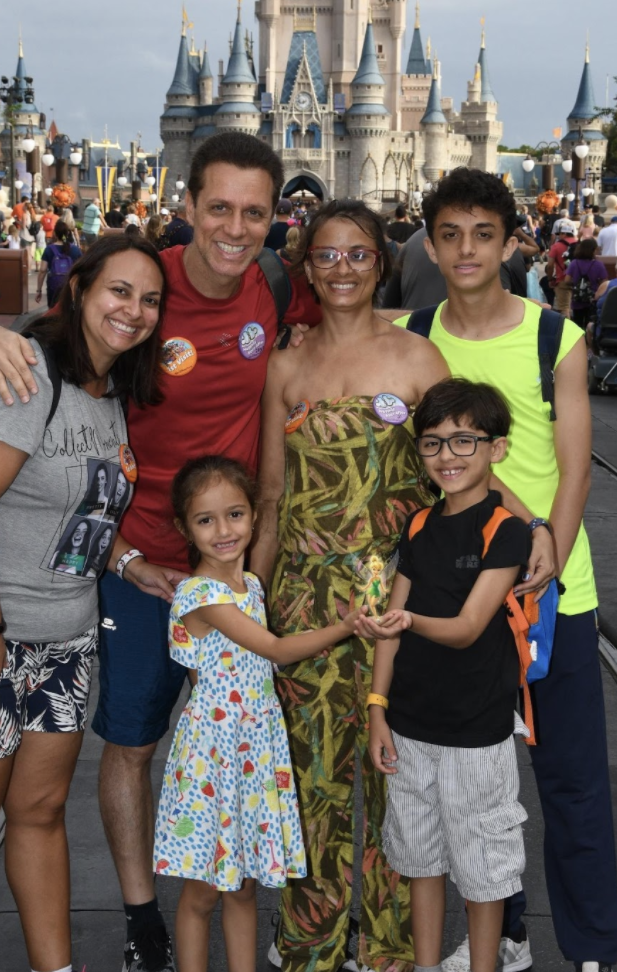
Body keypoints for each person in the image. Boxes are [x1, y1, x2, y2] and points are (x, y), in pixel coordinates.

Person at [0, 131, 321, 972]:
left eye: (254, 212)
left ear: (275, 218)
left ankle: (244, 894)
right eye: (219, 208)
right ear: (189, 205)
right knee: (132, 744)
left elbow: (362, 327)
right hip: (136, 564)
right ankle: (142, 917)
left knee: (238, 742)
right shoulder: (151, 283)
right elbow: (64, 331)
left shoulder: (279, 286)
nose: (235, 228)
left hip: (233, 569)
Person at [0, 232, 170, 972]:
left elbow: (77, 510)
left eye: (150, 299)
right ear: (81, 290)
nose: (135, 311)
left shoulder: (110, 394)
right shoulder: (26, 374)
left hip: (63, 638)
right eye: (119, 291)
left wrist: (129, 562)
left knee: (40, 813)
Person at [397, 167, 617, 972]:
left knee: (569, 780)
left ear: (510, 242)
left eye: (483, 234)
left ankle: (593, 950)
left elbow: (576, 465)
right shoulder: (414, 335)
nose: (465, 250)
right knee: (476, 787)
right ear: (430, 242)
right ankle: (510, 932)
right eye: (450, 235)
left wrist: (548, 556)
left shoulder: (552, 335)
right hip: (459, 599)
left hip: (550, 592)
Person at [251, 200, 447, 972]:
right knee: (313, 782)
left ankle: (394, 945)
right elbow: (270, 498)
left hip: (396, 599)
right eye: (326, 255)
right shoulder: (287, 365)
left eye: (358, 255)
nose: (342, 269)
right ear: (304, 265)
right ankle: (311, 940)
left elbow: (454, 477)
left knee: (398, 776)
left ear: (381, 263)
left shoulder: (418, 363)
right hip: (303, 600)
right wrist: (247, 610)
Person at [154, 455, 364, 972]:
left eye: (235, 514)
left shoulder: (251, 587)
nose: (224, 530)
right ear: (185, 527)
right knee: (204, 891)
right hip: (214, 759)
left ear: (252, 516)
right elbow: (275, 650)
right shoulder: (199, 595)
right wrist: (348, 625)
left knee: (244, 886)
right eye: (206, 520)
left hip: (252, 751)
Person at [359, 378, 531, 972]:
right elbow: (388, 626)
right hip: (409, 727)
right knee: (420, 862)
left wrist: (406, 619)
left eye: (464, 441)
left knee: (484, 873)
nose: (448, 457)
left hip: (475, 734)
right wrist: (377, 709)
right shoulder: (417, 525)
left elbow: (467, 626)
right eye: (433, 444)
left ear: (496, 449)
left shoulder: (505, 529)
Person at [36, 219, 82, 308]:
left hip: (53, 286)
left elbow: (42, 270)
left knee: (53, 309)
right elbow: (82, 269)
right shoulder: (75, 250)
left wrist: (39, 290)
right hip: (70, 286)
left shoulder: (49, 249)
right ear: (68, 233)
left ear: (55, 234)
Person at [544, 218, 578, 317]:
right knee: (577, 307)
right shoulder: (579, 244)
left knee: (564, 308)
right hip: (578, 280)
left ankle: (568, 330)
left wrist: (550, 279)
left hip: (562, 279)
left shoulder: (556, 246)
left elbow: (550, 265)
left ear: (563, 234)